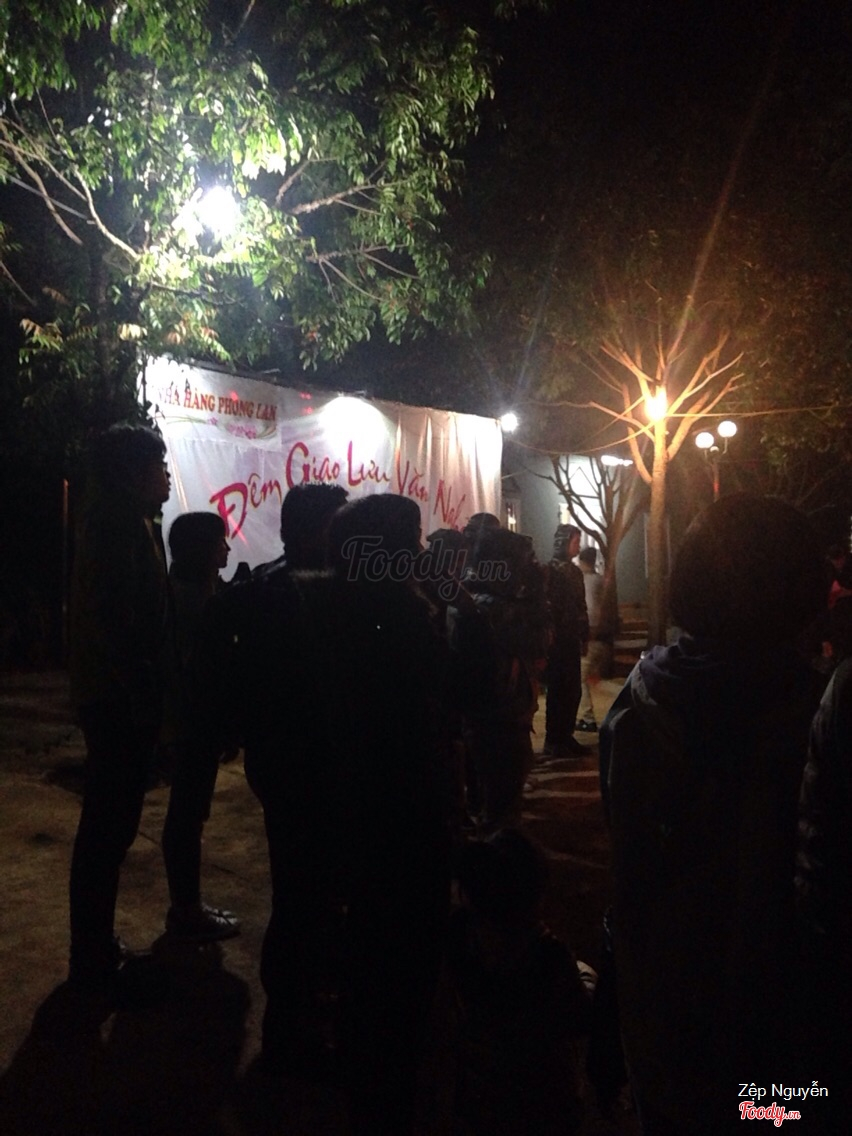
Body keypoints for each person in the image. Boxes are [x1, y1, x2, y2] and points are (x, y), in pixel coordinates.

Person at [185, 492, 456, 1134]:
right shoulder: (336, 604)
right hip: (320, 779)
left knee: (306, 902)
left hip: (295, 774)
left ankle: (302, 1031)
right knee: (315, 907)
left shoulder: (285, 592)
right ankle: (304, 1039)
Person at [600, 494, 828, 1135]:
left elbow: (627, 858)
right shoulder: (818, 715)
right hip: (785, 1027)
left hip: (662, 1017)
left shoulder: (638, 706)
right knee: (777, 1114)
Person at [67, 422, 173, 992]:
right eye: (159, 466)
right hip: (117, 698)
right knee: (107, 830)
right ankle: (92, 961)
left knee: (110, 828)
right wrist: (141, 695)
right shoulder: (116, 524)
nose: (167, 476)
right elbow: (119, 622)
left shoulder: (126, 520)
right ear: (134, 472)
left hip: (115, 693)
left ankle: (96, 949)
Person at [447, 829, 593, 1136]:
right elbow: (580, 1017)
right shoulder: (548, 958)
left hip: (475, 1100)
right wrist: (587, 977)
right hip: (541, 1106)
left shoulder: (456, 939)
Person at [160, 511, 240, 942]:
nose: (226, 549)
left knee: (188, 813)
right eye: (220, 542)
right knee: (188, 815)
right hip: (192, 724)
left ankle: (186, 905)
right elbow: (206, 674)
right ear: (203, 550)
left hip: (188, 723)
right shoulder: (197, 604)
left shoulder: (189, 595)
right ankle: (186, 908)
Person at [458, 527, 550, 833]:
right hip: (498, 721)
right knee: (501, 811)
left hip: (492, 718)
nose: (524, 572)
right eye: (521, 563)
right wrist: (537, 594)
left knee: (492, 801)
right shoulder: (492, 609)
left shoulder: (477, 599)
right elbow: (538, 640)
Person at [543, 524, 589, 758]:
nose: (578, 547)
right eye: (575, 542)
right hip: (557, 641)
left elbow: (581, 607)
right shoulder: (549, 572)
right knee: (558, 691)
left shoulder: (576, 572)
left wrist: (584, 635)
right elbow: (546, 607)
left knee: (573, 690)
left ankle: (566, 736)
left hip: (571, 639)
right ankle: (553, 739)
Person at [575, 546, 612, 732]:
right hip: (602, 637)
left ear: (583, 562)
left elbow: (589, 611)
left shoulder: (585, 581)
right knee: (589, 676)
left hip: (590, 636)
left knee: (580, 677)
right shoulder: (599, 580)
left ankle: (587, 718)